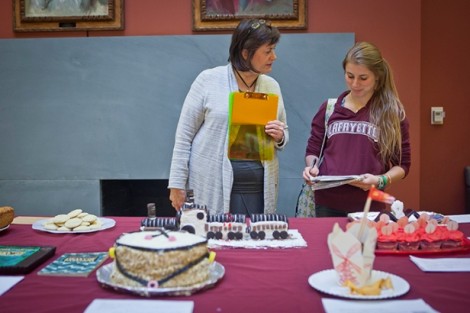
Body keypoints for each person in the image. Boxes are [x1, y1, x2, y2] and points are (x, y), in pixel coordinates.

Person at [168, 18, 288, 216]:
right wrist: (176, 184)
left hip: (258, 188)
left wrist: (280, 136)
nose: (274, 57)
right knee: (217, 238)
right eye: (268, 51)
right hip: (212, 185)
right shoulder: (208, 80)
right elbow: (184, 137)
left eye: (273, 50)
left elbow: (284, 131)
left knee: (255, 243)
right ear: (246, 53)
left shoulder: (271, 86)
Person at [302, 41, 411, 217]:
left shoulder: (392, 114)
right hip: (327, 201)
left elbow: (402, 164)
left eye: (363, 78)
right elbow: (314, 149)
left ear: (377, 76)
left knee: (365, 245)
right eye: (350, 76)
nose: (355, 84)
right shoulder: (329, 108)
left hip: (369, 203)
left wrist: (380, 180)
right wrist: (311, 168)